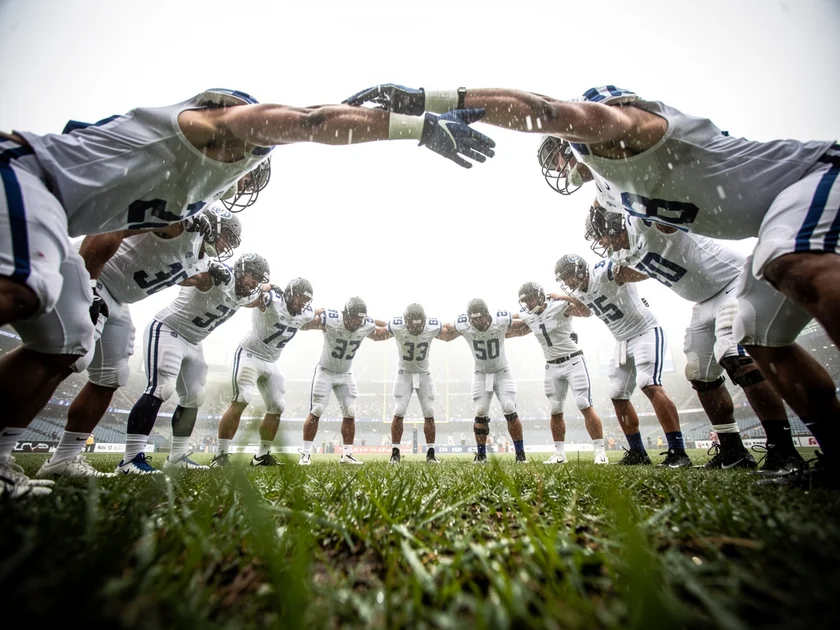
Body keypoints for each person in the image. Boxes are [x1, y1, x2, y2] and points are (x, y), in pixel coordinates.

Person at [0, 88, 494, 496]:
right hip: (29, 179)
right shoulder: (196, 132)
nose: (241, 172)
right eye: (244, 160)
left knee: (67, 347)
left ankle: (44, 459)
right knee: (24, 298)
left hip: (56, 210)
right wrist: (414, 126)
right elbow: (310, 122)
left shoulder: (188, 202)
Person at [344, 82, 840, 484]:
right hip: (751, 241)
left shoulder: (627, 128)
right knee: (755, 336)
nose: (560, 165)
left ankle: (773, 444)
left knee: (788, 264)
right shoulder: (610, 186)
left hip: (809, 179)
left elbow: (536, 107)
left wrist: (428, 102)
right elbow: (607, 247)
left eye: (563, 147)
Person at [585, 202, 805, 473]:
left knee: (734, 356)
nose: (602, 242)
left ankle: (783, 449)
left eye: (602, 234)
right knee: (700, 373)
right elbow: (633, 272)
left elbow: (659, 216)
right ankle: (732, 450)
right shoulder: (624, 253)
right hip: (703, 302)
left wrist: (611, 193)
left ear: (617, 223)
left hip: (732, 283)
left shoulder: (645, 224)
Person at [33, 204, 241, 479]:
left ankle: (64, 458)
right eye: (227, 235)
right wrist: (182, 216)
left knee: (111, 376)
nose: (227, 244)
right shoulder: (182, 224)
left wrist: (213, 273)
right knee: (64, 358)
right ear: (212, 223)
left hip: (119, 299)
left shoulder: (200, 259)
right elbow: (123, 218)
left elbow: (198, 280)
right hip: (93, 278)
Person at [115, 253, 270, 474]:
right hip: (169, 330)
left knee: (194, 398)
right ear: (239, 269)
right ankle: (130, 460)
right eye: (251, 275)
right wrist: (205, 268)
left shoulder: (243, 295)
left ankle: (176, 457)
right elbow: (182, 275)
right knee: (161, 388)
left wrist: (268, 289)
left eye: (258, 278)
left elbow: (254, 298)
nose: (254, 281)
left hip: (194, 342)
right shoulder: (217, 277)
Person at [554, 253, 691, 467]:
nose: (568, 282)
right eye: (563, 279)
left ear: (580, 269)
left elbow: (639, 272)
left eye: (569, 276)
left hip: (645, 331)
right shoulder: (582, 291)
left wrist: (632, 265)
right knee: (617, 394)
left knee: (649, 384)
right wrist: (566, 299)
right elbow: (586, 311)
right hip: (622, 342)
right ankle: (638, 452)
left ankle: (678, 451)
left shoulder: (601, 271)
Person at [211, 278, 321, 467]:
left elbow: (318, 312)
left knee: (277, 406)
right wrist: (265, 287)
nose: (302, 303)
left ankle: (261, 456)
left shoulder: (305, 312)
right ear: (289, 293)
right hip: (249, 355)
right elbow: (248, 297)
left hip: (271, 361)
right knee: (242, 399)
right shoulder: (273, 299)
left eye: (306, 300)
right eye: (300, 298)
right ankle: (220, 455)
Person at [506, 281, 608, 465]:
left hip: (573, 360)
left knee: (583, 403)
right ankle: (560, 453)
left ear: (539, 295)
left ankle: (600, 451)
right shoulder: (527, 316)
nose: (527, 303)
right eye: (524, 301)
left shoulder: (559, 306)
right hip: (551, 366)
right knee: (555, 409)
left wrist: (567, 297)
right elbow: (507, 322)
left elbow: (587, 312)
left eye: (529, 298)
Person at [298, 298, 390, 465]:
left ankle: (347, 454)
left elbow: (380, 334)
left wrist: (392, 325)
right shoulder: (332, 320)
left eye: (360, 318)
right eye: (354, 317)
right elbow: (304, 324)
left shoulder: (365, 324)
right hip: (325, 371)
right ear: (345, 314)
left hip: (345, 373)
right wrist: (319, 310)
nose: (356, 322)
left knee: (350, 412)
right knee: (317, 410)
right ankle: (305, 454)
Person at [437, 298, 528, 464]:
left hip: (502, 372)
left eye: (480, 318)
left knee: (509, 408)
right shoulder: (464, 324)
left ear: (487, 315)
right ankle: (481, 455)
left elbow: (524, 326)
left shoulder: (501, 320)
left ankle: (520, 455)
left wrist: (536, 317)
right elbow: (447, 332)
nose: (477, 322)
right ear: (468, 318)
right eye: (473, 319)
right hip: (480, 374)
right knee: (480, 412)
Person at [379, 303, 446, 464]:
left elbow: (448, 332)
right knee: (399, 409)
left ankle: (430, 453)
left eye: (419, 324)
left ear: (424, 321)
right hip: (405, 373)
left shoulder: (432, 326)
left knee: (429, 411)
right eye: (412, 324)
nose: (416, 328)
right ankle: (395, 452)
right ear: (405, 321)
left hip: (424, 372)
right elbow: (379, 331)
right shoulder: (397, 326)